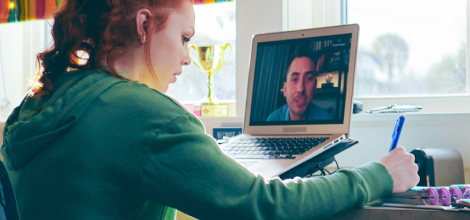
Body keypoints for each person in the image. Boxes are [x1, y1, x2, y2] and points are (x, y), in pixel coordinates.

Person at [0, 0, 420, 219]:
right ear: (145, 25)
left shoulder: (44, 99)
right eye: (184, 38)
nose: (186, 58)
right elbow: (266, 208)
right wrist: (379, 174)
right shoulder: (141, 112)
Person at [267, 48, 333, 121]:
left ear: (315, 87)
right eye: (295, 79)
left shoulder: (326, 120)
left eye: (308, 78)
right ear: (285, 89)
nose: (301, 89)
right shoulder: (273, 120)